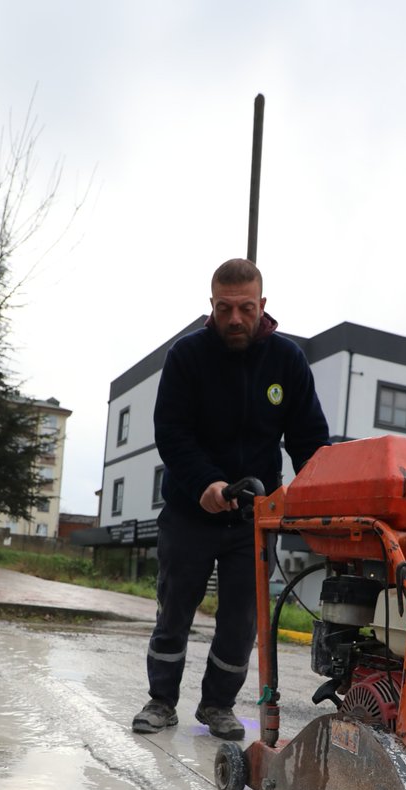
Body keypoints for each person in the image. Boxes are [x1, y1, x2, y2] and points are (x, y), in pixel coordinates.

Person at [132, 258, 330, 740]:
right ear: (212, 306)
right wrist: (207, 484)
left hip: (253, 518)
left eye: (245, 308)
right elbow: (172, 432)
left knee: (242, 619)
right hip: (190, 510)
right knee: (175, 606)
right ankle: (161, 701)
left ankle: (218, 705)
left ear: (263, 306)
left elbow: (309, 441)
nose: (235, 318)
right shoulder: (187, 357)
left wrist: (321, 494)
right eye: (225, 308)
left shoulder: (287, 362)